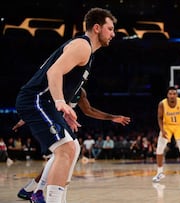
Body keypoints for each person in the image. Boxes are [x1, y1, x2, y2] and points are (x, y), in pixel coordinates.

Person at [14, 7, 118, 203]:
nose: (113, 33)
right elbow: (53, 72)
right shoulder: (83, 46)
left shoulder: (87, 51)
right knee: (65, 149)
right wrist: (60, 103)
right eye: (110, 28)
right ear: (97, 28)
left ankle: (49, 195)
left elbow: (67, 83)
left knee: (73, 148)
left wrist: (65, 108)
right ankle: (40, 194)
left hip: (44, 102)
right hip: (36, 99)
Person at [16, 87, 131, 202]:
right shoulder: (60, 82)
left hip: (59, 121)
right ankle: (38, 191)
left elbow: (89, 110)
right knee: (62, 154)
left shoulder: (79, 91)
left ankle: (30, 189)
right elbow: (39, 101)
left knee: (68, 153)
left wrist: (112, 117)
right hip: (47, 120)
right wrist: (26, 117)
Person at [152, 86, 180, 183]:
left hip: (179, 126)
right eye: (170, 94)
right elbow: (159, 117)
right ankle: (159, 173)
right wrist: (162, 130)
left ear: (177, 95)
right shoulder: (162, 104)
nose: (172, 96)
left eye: (174, 94)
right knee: (159, 149)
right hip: (167, 126)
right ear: (167, 95)